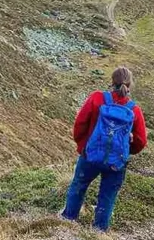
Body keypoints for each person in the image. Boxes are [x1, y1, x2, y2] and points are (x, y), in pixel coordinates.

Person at [61, 67, 147, 231]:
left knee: (79, 185)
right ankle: (99, 231)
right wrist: (126, 150)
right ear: (130, 84)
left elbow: (79, 124)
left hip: (90, 154)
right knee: (107, 195)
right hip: (116, 161)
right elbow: (141, 141)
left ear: (112, 81)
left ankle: (68, 220)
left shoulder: (97, 98)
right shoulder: (134, 109)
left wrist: (83, 146)